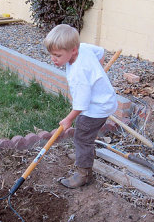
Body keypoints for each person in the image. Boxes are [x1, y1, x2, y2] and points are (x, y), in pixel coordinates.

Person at [44, 24, 118, 188]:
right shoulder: (82, 48)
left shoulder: (79, 73)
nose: (53, 59)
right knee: (85, 135)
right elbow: (101, 52)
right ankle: (83, 154)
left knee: (82, 137)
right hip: (104, 100)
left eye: (57, 55)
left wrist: (68, 119)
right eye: (51, 54)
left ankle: (84, 174)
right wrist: (96, 70)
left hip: (97, 107)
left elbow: (81, 104)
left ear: (73, 51)